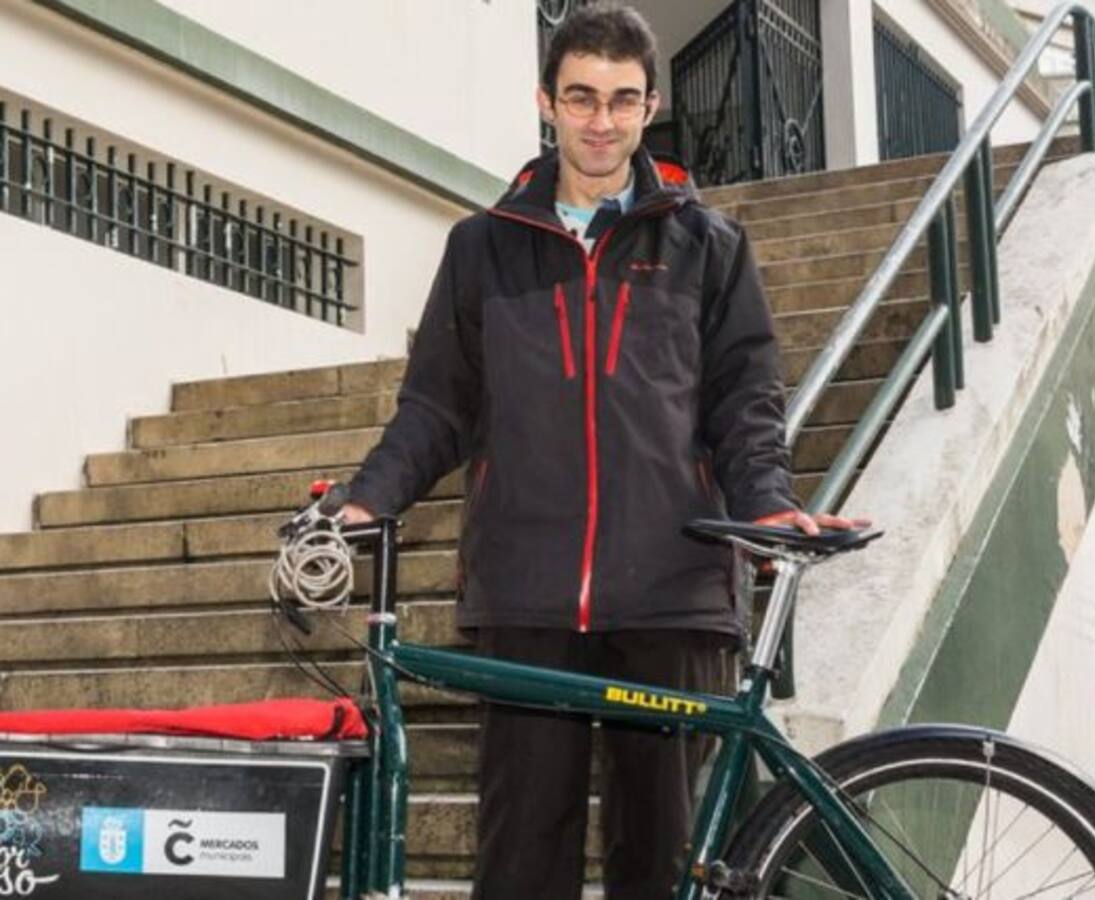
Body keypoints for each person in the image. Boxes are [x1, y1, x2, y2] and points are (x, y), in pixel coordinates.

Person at [340, 5, 865, 897]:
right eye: (581, 97)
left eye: (623, 100)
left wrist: (768, 502)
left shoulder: (710, 246)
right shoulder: (482, 249)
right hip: (528, 594)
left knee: (659, 865)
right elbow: (436, 403)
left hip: (674, 591)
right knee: (518, 865)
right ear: (546, 101)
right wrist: (365, 498)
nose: (601, 121)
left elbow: (746, 403)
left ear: (650, 107)